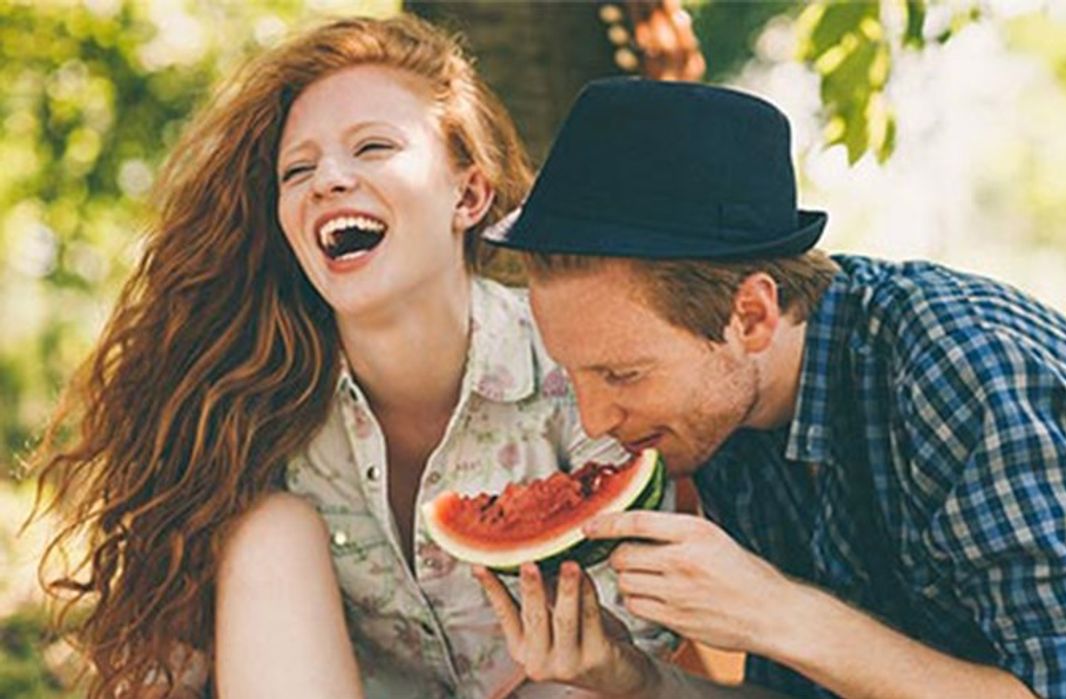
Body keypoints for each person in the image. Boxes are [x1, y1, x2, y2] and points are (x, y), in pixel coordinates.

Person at [478, 77, 1066, 698]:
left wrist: (777, 611)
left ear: (750, 313)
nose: (596, 417)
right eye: (574, 374)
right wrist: (635, 679)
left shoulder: (962, 376)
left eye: (622, 374)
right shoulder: (726, 421)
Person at [29, 18, 674, 699]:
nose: (328, 180)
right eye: (297, 169)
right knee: (268, 530)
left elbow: (640, 642)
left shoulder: (577, 366)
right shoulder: (248, 400)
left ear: (468, 195)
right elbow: (175, 659)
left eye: (372, 146)